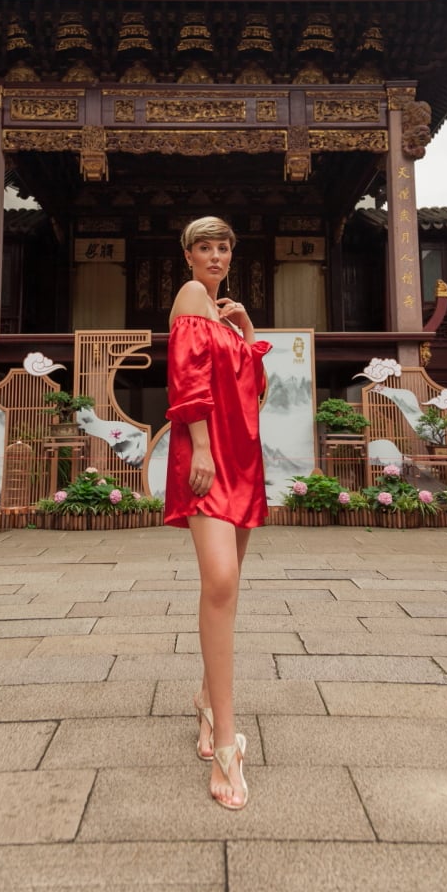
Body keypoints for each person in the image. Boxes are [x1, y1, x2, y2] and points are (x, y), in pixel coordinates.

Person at [164, 216, 271, 810]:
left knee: (230, 587)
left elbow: (257, 391)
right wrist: (200, 446)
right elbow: (186, 374)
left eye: (223, 246)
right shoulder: (189, 298)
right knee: (221, 580)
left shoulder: (224, 312)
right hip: (208, 458)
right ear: (187, 255)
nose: (214, 255)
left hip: (244, 460)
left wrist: (248, 330)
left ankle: (207, 701)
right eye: (203, 247)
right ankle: (228, 742)